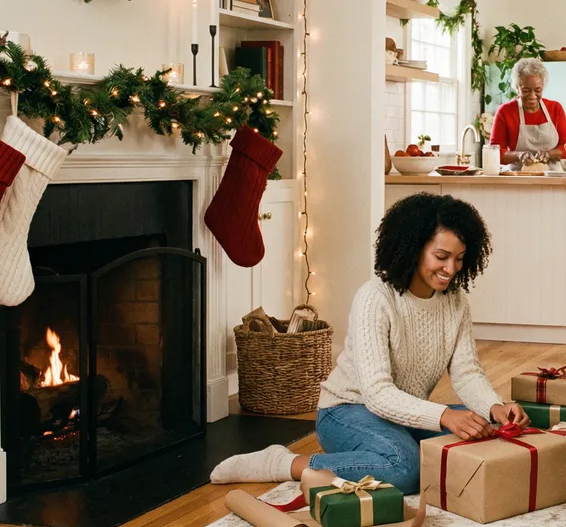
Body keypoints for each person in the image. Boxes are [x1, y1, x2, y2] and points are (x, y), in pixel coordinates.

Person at [209, 193, 529, 493]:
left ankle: (388, 450)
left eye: (459, 259)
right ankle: (283, 463)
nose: (451, 269)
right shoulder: (375, 299)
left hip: (402, 414)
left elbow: (467, 373)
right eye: (441, 257)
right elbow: (377, 394)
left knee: (486, 431)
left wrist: (494, 407)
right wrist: (445, 416)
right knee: (404, 468)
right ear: (413, 248)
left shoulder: (456, 302)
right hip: (347, 412)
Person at [489, 58, 566, 171]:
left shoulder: (555, 108)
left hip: (552, 175)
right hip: (518, 175)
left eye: (538, 90)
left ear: (543, 87)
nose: (532, 96)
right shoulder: (505, 111)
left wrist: (549, 154)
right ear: (517, 87)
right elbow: (495, 152)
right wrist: (519, 155)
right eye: (526, 90)